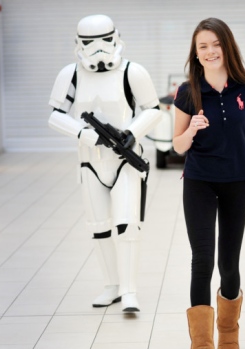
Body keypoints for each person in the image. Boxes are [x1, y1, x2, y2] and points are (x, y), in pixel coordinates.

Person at [173, 17, 245, 349]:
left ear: (226, 46)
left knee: (229, 264)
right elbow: (177, 146)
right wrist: (190, 129)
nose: (209, 52)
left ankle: (229, 331)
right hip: (199, 182)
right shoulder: (188, 92)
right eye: (202, 46)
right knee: (201, 260)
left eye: (214, 44)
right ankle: (201, 346)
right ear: (196, 52)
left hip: (238, 181)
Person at [48, 15, 161, 312]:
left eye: (104, 41)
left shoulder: (132, 72)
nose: (98, 49)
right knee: (99, 227)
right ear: (79, 44)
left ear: (116, 38)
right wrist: (84, 134)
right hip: (89, 163)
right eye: (90, 43)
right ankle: (112, 285)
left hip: (125, 160)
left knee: (128, 226)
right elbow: (55, 115)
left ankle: (129, 290)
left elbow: (153, 109)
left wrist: (132, 133)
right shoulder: (70, 74)